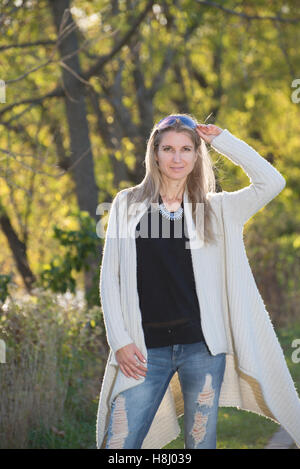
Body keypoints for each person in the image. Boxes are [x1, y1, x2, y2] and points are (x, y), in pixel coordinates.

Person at [97, 114, 300, 450]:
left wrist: (222, 139)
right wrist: (119, 340)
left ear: (196, 155)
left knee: (200, 442)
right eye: (168, 149)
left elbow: (272, 182)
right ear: (155, 153)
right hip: (143, 350)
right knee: (119, 441)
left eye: (186, 149)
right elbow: (110, 280)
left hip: (202, 351)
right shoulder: (127, 205)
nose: (177, 158)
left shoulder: (218, 209)